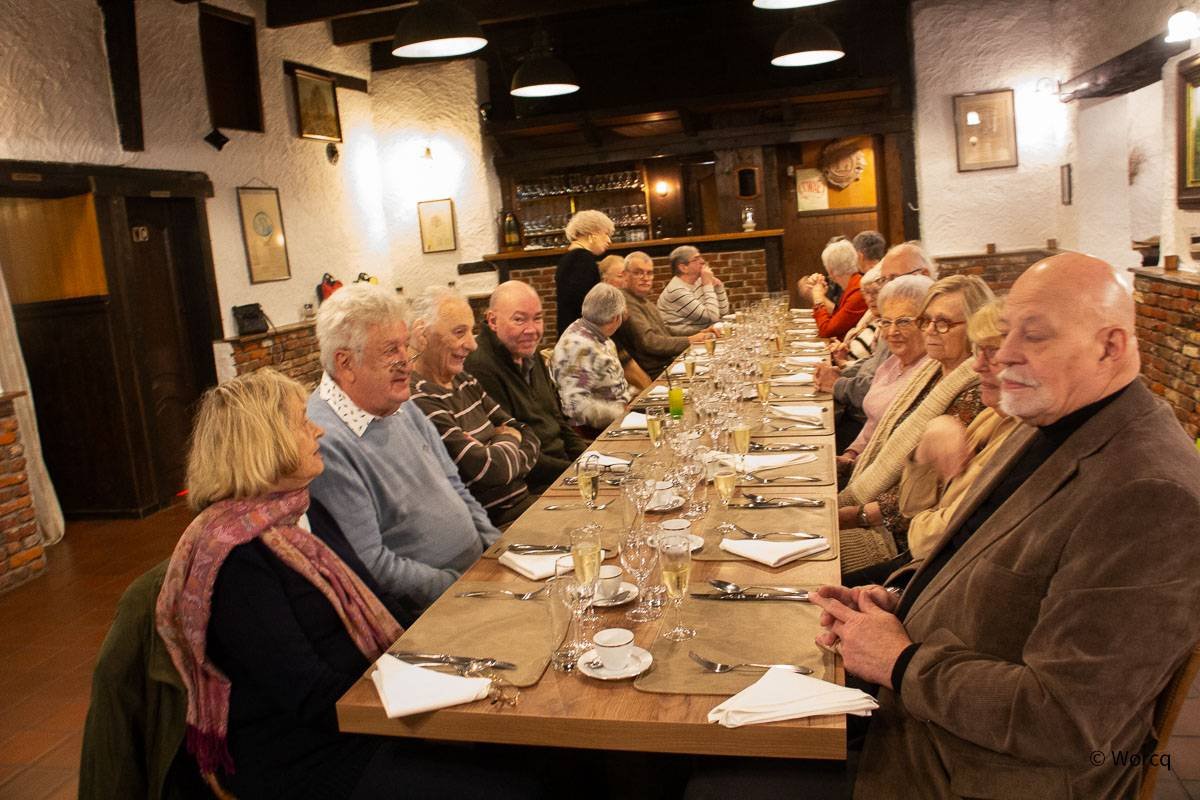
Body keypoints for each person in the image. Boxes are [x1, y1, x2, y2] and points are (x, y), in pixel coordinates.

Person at [812, 253, 1200, 799]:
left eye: (1033, 335)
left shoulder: (1151, 494)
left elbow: (1067, 718)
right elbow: (994, 570)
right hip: (923, 724)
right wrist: (898, 601)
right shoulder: (1051, 418)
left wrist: (899, 661)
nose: (1003, 354)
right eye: (1006, 329)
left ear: (1110, 346)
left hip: (964, 772)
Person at [155, 370, 540, 800]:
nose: (317, 429)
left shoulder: (302, 509)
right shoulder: (236, 558)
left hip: (365, 709)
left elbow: (376, 598)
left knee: (533, 747)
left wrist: (449, 654)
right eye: (301, 421)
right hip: (307, 752)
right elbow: (306, 693)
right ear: (264, 443)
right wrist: (430, 693)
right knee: (516, 786)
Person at [306, 284, 500, 621]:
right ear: (346, 363)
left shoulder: (399, 404)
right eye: (390, 350)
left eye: (404, 345)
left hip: (477, 576)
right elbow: (372, 564)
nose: (407, 363)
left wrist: (496, 551)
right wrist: (461, 587)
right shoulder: (324, 441)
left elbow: (455, 486)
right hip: (430, 611)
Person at [844, 299, 1024, 587]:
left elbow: (927, 536)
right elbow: (913, 503)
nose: (929, 330)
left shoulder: (995, 412)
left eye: (943, 323)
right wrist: (926, 445)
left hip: (926, 565)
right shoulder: (990, 414)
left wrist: (860, 515)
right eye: (926, 321)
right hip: (919, 557)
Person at [408, 286, 541, 527]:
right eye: (460, 332)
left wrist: (497, 447)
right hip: (497, 526)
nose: (472, 345)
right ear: (422, 334)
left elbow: (528, 433)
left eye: (471, 331)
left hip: (529, 506)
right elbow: (489, 470)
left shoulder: (463, 379)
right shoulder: (418, 397)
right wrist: (509, 437)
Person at [464, 281, 588, 491]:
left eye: (537, 318)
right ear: (493, 321)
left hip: (563, 471)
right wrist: (574, 472)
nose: (531, 330)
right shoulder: (480, 366)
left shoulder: (530, 353)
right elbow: (516, 451)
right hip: (533, 485)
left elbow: (558, 420)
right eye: (519, 320)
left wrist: (589, 459)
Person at [817, 242, 939, 451]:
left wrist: (838, 383)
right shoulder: (895, 357)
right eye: (883, 280)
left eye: (892, 278)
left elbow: (828, 329)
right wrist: (851, 454)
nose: (883, 288)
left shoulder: (928, 351)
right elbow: (875, 420)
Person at [838, 275, 933, 469]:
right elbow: (873, 423)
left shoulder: (929, 372)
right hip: (860, 464)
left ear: (926, 323)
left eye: (904, 321)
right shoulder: (891, 364)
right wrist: (850, 454)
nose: (892, 332)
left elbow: (898, 452)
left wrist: (854, 464)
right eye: (886, 322)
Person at [550, 283, 634, 436]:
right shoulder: (580, 347)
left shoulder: (594, 333)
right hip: (597, 431)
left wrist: (634, 398)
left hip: (621, 418)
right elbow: (575, 406)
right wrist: (620, 412)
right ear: (616, 318)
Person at [613, 251, 713, 377]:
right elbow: (650, 343)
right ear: (625, 275)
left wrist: (699, 333)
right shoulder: (625, 302)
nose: (645, 278)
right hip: (657, 374)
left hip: (669, 365)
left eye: (649, 273)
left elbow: (665, 331)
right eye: (638, 272)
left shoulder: (643, 300)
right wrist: (690, 340)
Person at [555, 209, 614, 335]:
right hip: (581, 335)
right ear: (592, 234)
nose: (609, 240)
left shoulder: (569, 258)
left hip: (571, 333)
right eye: (606, 234)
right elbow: (588, 306)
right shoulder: (582, 259)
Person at [656, 245, 730, 335]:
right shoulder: (677, 290)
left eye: (701, 257)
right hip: (685, 339)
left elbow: (723, 315)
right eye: (696, 259)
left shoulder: (699, 281)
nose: (702, 261)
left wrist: (719, 287)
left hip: (704, 334)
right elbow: (713, 317)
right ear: (683, 268)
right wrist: (708, 285)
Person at [803, 238, 869, 339]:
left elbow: (826, 331)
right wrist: (820, 295)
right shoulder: (855, 283)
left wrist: (818, 299)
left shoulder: (858, 292)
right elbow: (838, 317)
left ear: (830, 271)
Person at [832, 264, 883, 366]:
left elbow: (875, 367)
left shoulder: (886, 325)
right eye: (866, 293)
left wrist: (843, 363)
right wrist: (843, 352)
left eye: (875, 292)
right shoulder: (870, 315)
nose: (870, 299)